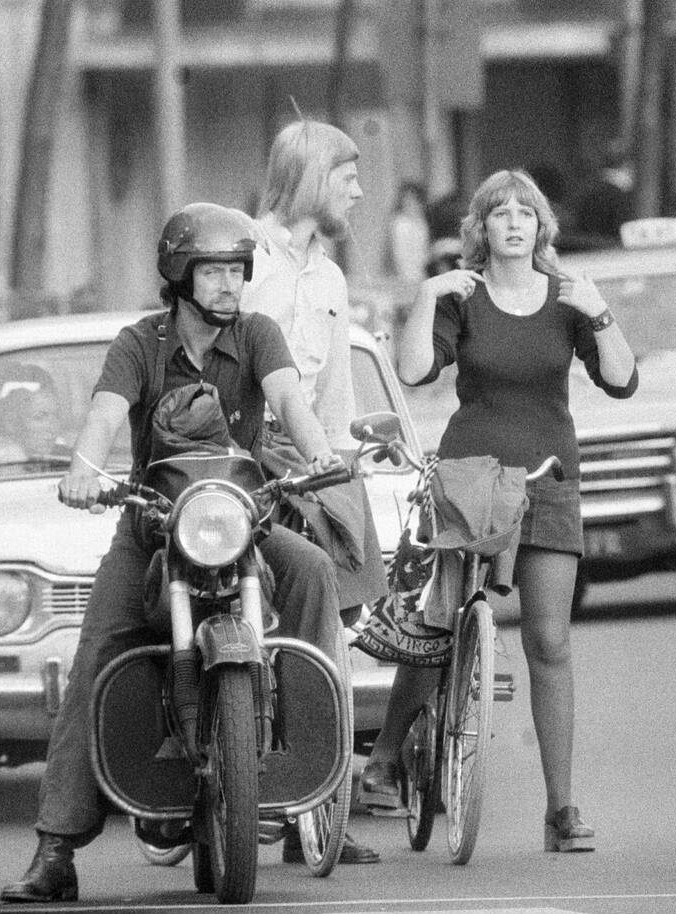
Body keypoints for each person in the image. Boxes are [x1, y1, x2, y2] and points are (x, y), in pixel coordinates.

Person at [0, 202, 350, 903]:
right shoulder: (140, 343)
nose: (228, 284)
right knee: (97, 647)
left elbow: (290, 398)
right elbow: (104, 411)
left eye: (235, 271)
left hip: (243, 519)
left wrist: (321, 454)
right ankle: (56, 849)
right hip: (154, 528)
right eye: (213, 271)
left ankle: (308, 755)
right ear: (178, 276)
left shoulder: (258, 335)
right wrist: (83, 467)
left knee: (310, 567)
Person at [359, 169, 638, 851]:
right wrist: (426, 295)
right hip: (470, 477)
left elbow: (625, 381)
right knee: (439, 621)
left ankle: (562, 810)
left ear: (542, 226)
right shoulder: (464, 297)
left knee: (550, 640)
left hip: (547, 476)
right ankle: (388, 758)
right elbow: (418, 369)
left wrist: (599, 311)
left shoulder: (568, 298)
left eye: (525, 212)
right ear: (479, 230)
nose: (513, 222)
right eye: (499, 213)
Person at [244, 117, 389, 864]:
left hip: (315, 464)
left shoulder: (331, 278)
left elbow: (329, 401)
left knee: (330, 640)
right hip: (245, 470)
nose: (360, 192)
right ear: (308, 175)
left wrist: (343, 482)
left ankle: (318, 811)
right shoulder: (243, 257)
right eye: (347, 177)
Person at [386, 179, 431, 284]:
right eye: (407, 201)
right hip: (406, 277)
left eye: (414, 201)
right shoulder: (400, 223)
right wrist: (408, 278)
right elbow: (400, 256)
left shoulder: (422, 222)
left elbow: (424, 251)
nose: (411, 204)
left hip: (422, 274)